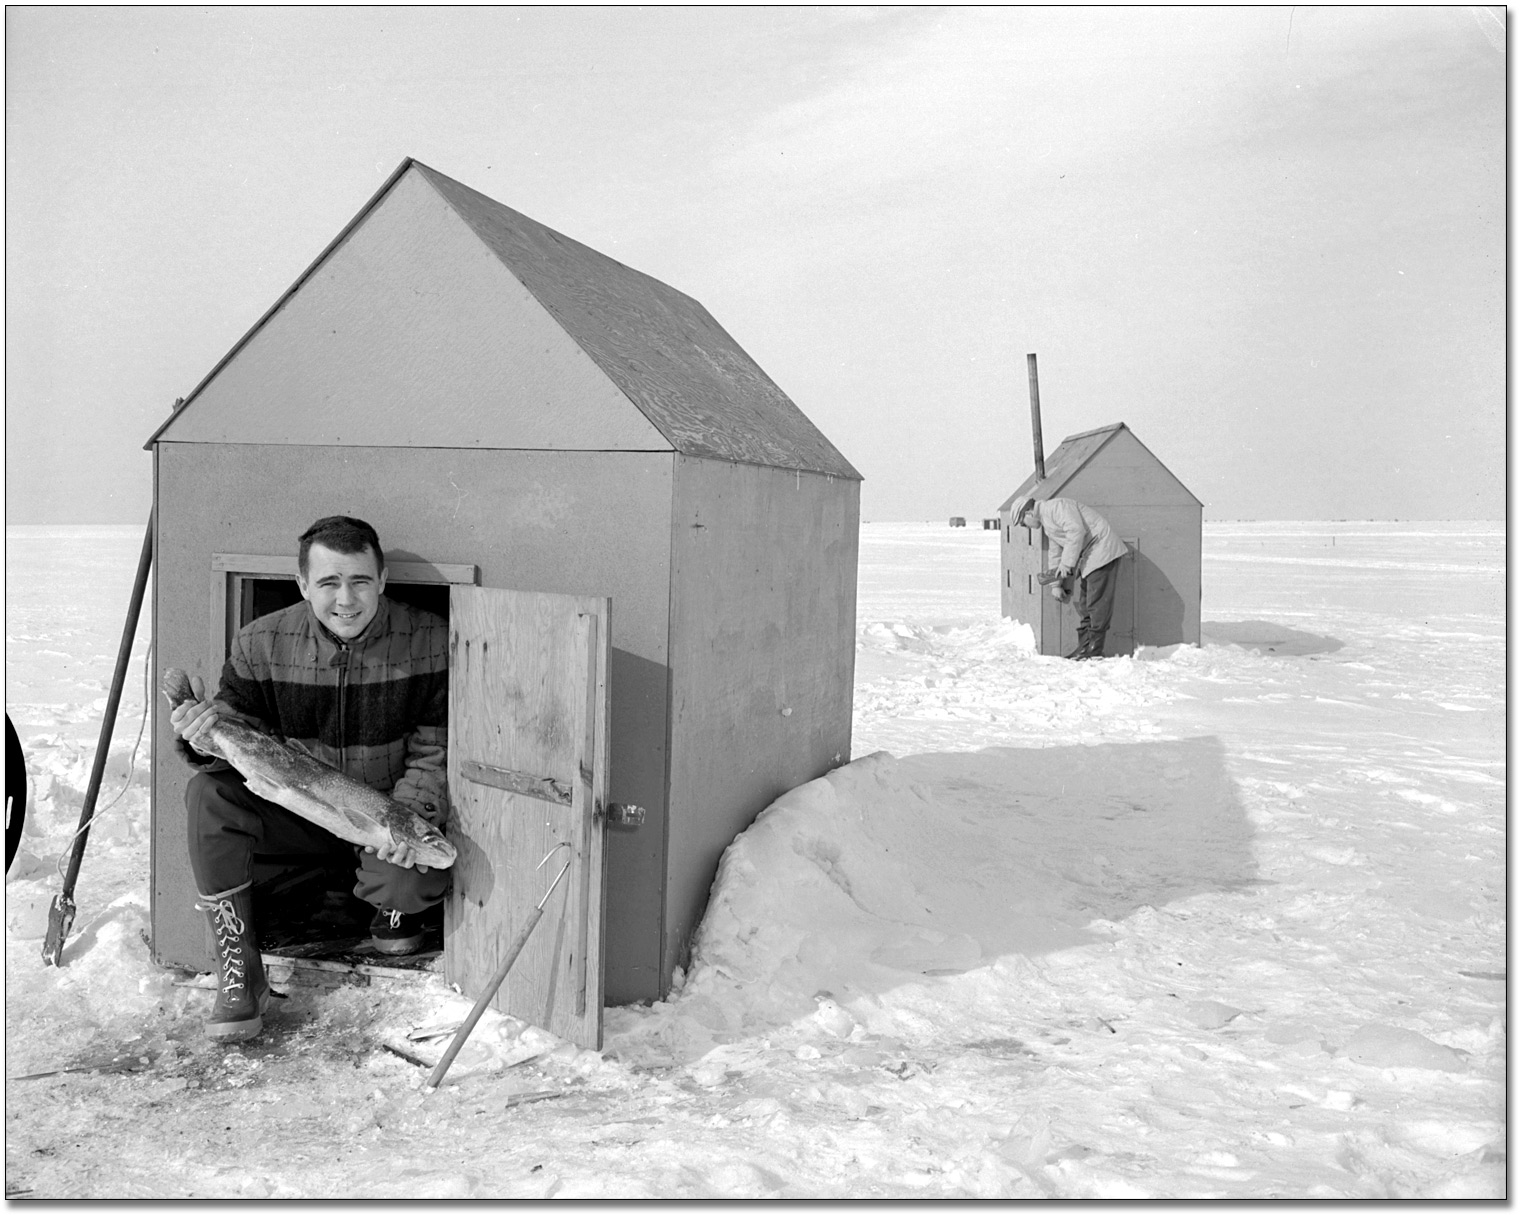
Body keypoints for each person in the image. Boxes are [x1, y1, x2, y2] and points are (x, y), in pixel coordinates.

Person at [171, 516, 450, 1041]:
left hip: (382, 812)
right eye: (328, 583)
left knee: (415, 875)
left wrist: (409, 819)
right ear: (302, 585)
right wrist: (199, 734)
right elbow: (238, 738)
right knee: (208, 793)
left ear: (383, 579)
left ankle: (390, 903)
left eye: (360, 580)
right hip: (298, 814)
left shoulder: (432, 639)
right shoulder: (260, 641)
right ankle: (240, 971)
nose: (346, 599)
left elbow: (433, 751)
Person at [1012, 496, 1129, 660]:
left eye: (1023, 523)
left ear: (1028, 512)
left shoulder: (1056, 507)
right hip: (1090, 556)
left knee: (1097, 604)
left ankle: (1094, 650)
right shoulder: (1047, 524)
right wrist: (1055, 585)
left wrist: (1066, 564)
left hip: (1102, 550)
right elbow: (1055, 554)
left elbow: (1076, 531)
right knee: (1085, 605)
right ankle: (1084, 648)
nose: (1025, 527)